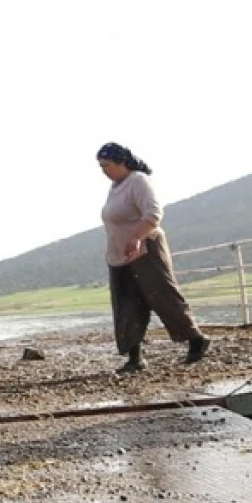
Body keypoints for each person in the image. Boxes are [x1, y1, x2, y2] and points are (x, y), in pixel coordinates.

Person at [97, 142, 211, 374]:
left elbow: (153, 214)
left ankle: (196, 339)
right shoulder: (115, 187)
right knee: (126, 304)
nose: (104, 171)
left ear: (121, 162)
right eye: (101, 166)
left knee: (163, 296)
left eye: (107, 165)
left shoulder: (138, 181)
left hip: (145, 249)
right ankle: (135, 357)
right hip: (120, 255)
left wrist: (137, 237)